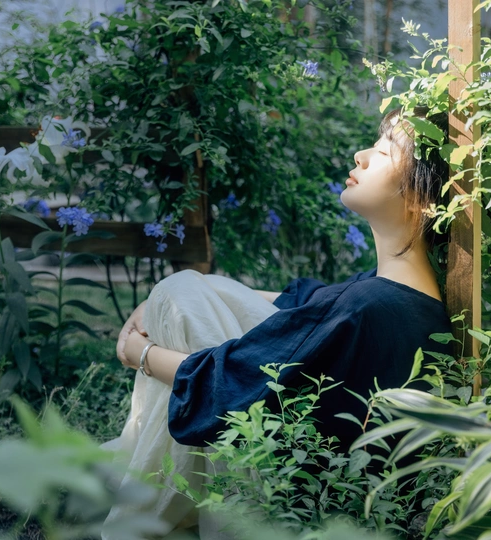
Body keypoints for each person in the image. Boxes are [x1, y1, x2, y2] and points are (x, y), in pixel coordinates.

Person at [102, 107, 454, 537]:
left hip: (279, 506)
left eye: (383, 152)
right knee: (193, 289)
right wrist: (170, 298)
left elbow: (229, 384)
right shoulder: (401, 298)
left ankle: (126, 503)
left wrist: (141, 352)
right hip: (327, 498)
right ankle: (124, 473)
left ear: (420, 199)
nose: (360, 156)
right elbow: (305, 305)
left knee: (179, 292)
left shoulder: (366, 307)